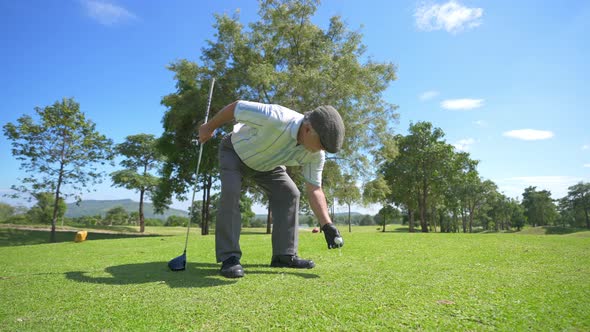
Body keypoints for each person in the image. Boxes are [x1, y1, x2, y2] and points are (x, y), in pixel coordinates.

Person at [198, 100, 345, 278]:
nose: (320, 151)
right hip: (235, 152)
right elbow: (236, 107)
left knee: (289, 194)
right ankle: (229, 258)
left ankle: (284, 255)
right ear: (307, 129)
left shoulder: (315, 155)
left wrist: (327, 224)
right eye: (321, 144)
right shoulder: (276, 116)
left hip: (267, 165)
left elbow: (314, 188)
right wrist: (209, 127)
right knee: (231, 193)